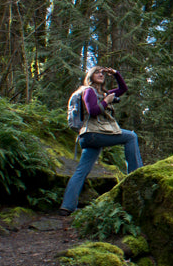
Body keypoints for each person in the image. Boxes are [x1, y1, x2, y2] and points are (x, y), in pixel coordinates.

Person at [60, 64, 142, 215]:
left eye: (102, 73)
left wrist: (116, 73)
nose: (100, 74)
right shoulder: (89, 91)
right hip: (93, 133)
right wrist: (107, 101)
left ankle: (67, 206)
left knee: (81, 171)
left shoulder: (101, 93)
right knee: (131, 136)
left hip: (88, 136)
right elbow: (92, 111)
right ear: (90, 76)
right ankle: (137, 177)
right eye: (96, 72)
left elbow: (123, 89)